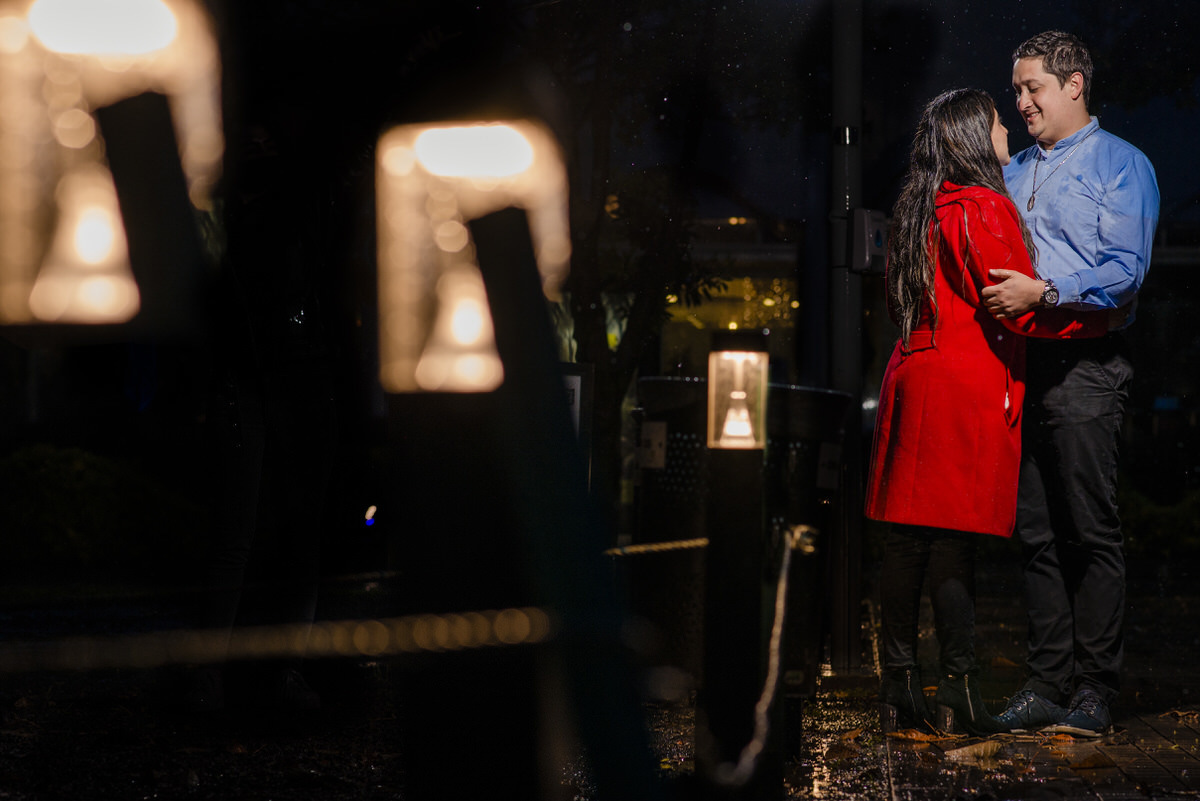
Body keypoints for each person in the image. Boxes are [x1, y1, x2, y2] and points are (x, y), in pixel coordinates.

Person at [865, 88, 1112, 736]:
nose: (1008, 130)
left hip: (912, 374)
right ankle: (961, 689)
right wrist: (1091, 316)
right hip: (964, 385)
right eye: (999, 122)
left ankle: (899, 685)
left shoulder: (917, 210)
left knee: (906, 536)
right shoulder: (984, 205)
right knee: (953, 539)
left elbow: (898, 307)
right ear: (976, 136)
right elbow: (1018, 303)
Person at [981, 31, 1159, 737]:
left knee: (1089, 528)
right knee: (1034, 529)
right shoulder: (1016, 167)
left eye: (1034, 88)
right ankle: (1047, 681)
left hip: (1088, 363)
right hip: (1023, 365)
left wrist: (1046, 290)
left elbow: (1126, 270)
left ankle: (1094, 690)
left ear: (1074, 84)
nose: (1021, 101)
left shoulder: (1123, 165)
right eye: (1017, 89)